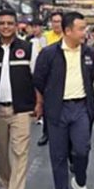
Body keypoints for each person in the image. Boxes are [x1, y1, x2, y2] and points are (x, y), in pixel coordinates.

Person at [33, 12, 94, 189]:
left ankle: (80, 182)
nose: (84, 32)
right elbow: (39, 79)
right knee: (58, 154)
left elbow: (92, 75)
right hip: (57, 109)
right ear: (68, 31)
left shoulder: (88, 53)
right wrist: (46, 100)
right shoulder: (49, 53)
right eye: (81, 29)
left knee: (82, 149)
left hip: (81, 108)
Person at [0, 10, 39, 189]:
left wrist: (38, 104)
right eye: (2, 23)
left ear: (17, 26)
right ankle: (4, 184)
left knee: (19, 152)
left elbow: (36, 78)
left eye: (10, 23)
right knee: (1, 151)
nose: (6, 27)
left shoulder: (28, 48)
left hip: (21, 109)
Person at [37, 11, 64, 147]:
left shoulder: (68, 36)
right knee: (47, 106)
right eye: (54, 21)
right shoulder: (45, 37)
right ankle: (46, 132)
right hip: (48, 75)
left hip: (64, 75)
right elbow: (39, 56)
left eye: (59, 21)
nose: (56, 24)